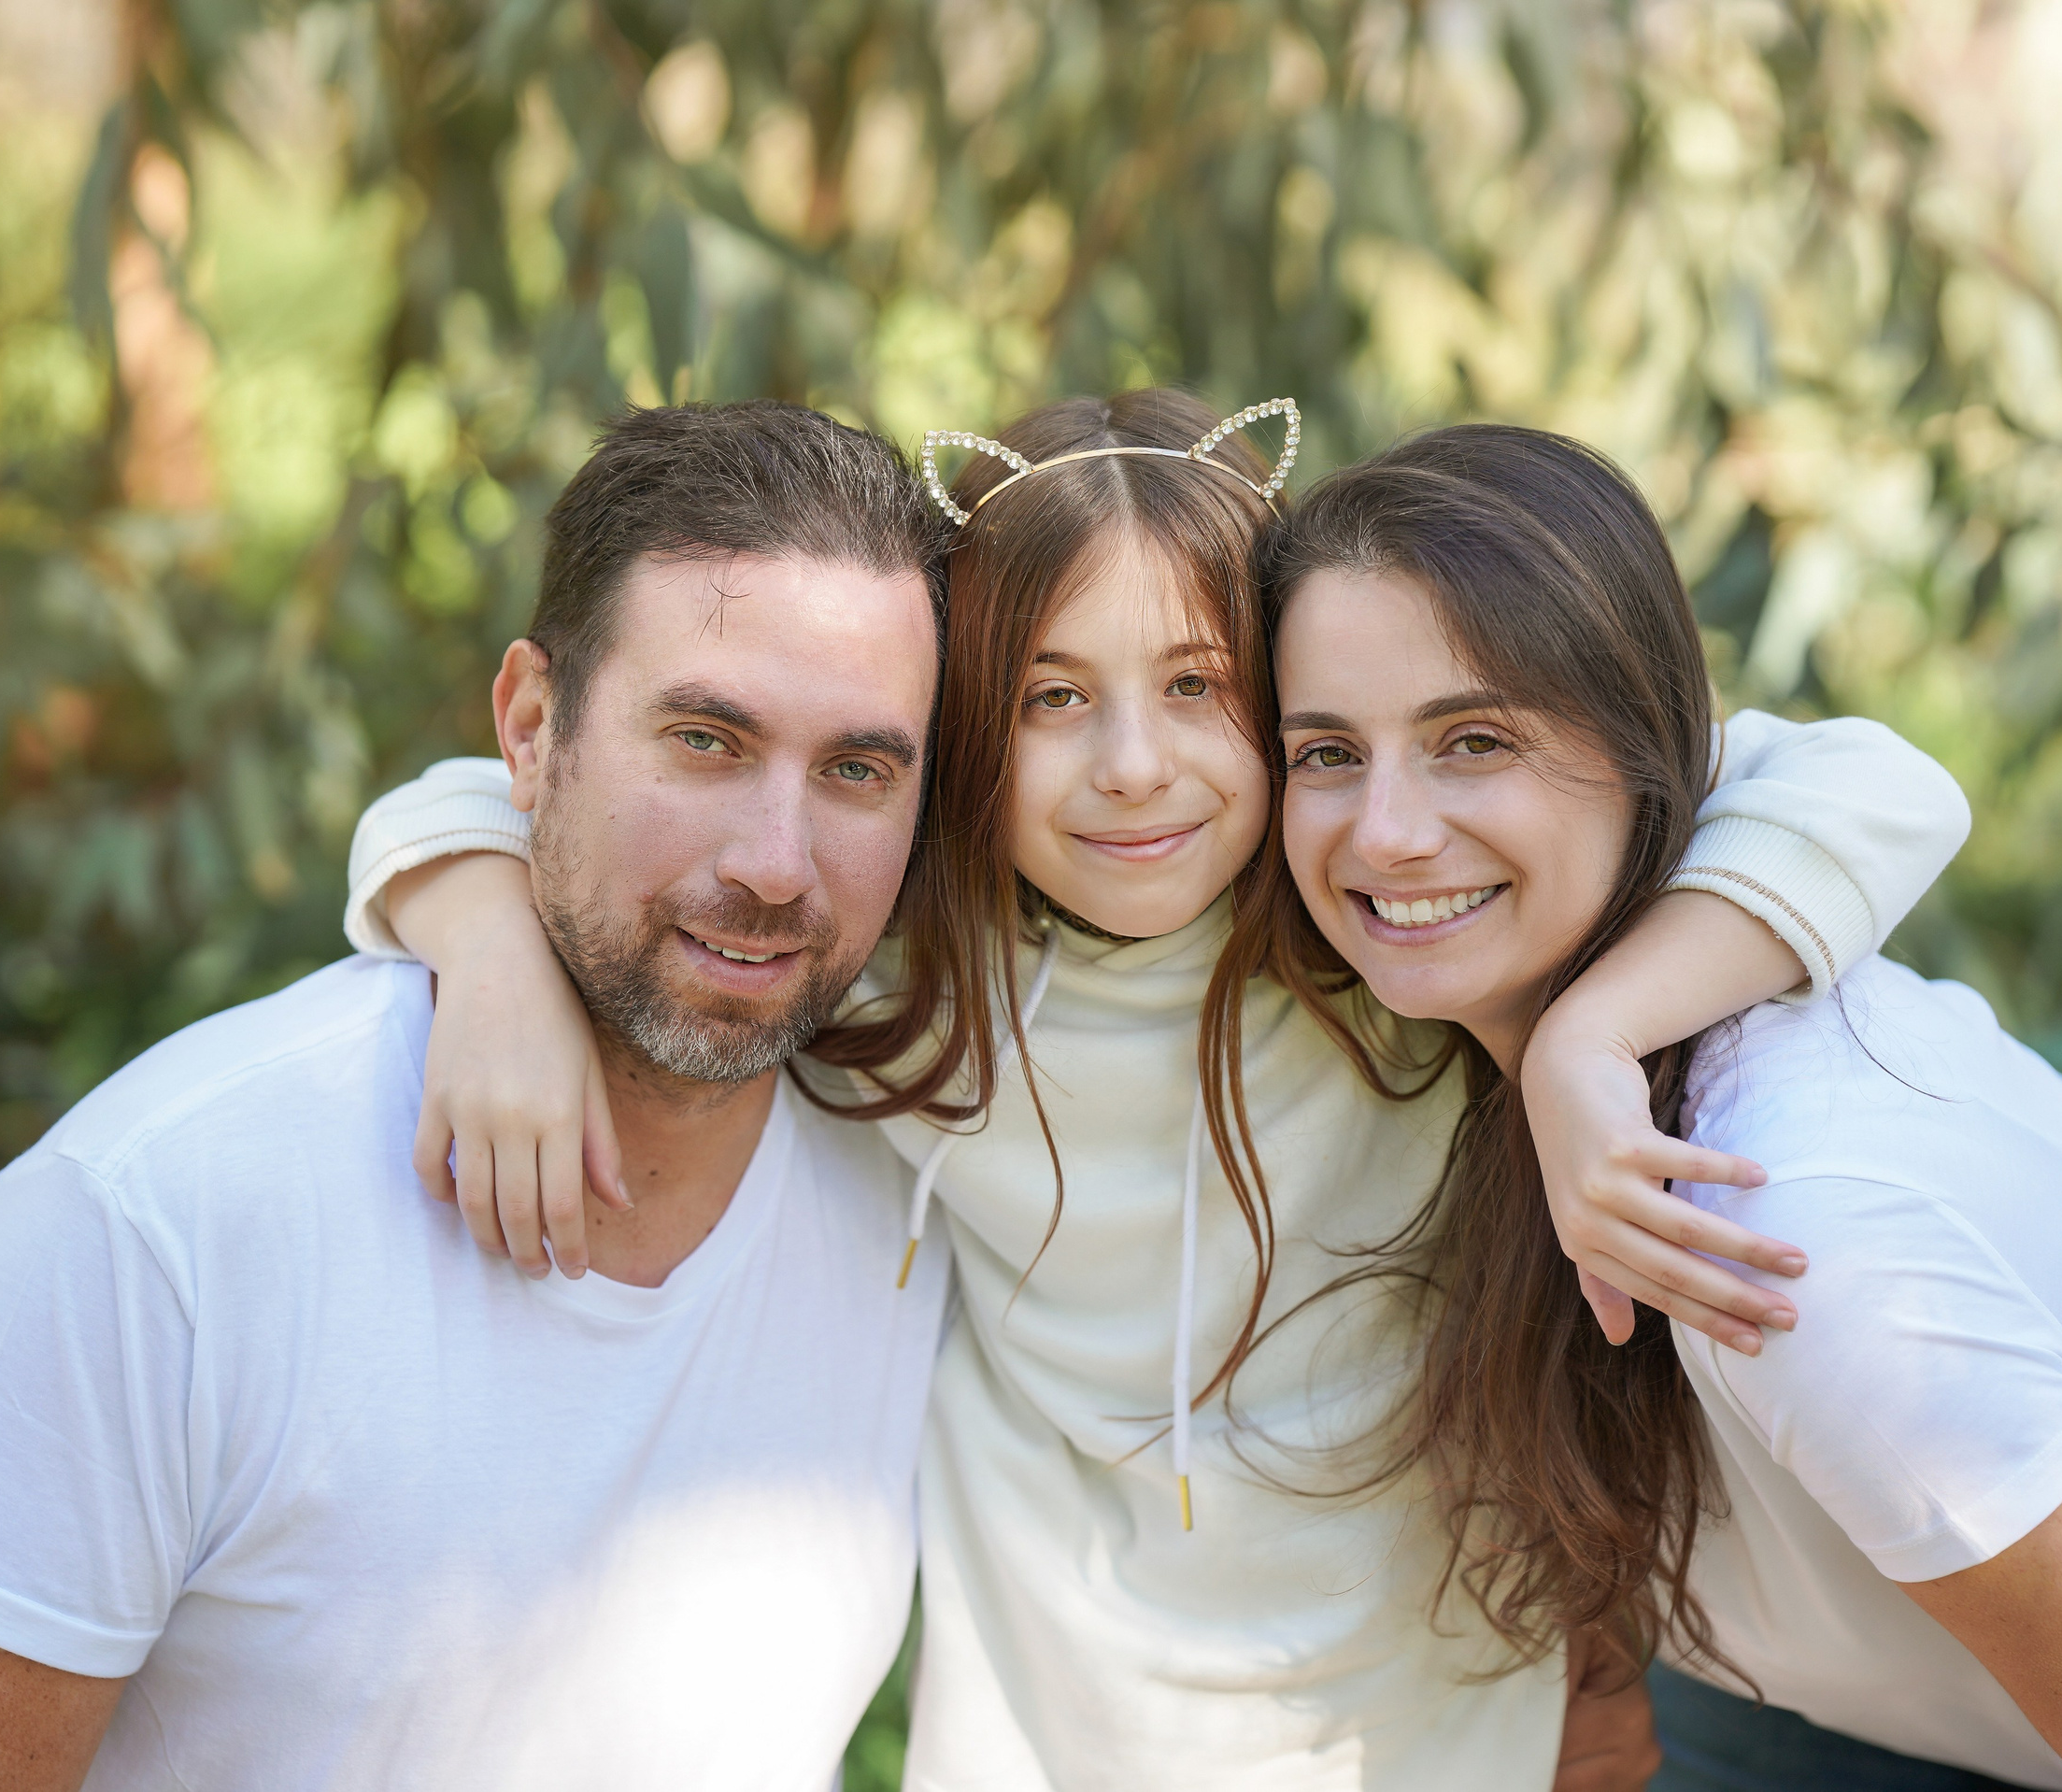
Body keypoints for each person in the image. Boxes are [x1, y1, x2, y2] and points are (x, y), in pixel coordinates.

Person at [348, 388, 1973, 1788]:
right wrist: (490, 959)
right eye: (1058, 697)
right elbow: (478, 789)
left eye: (1198, 685)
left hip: (1429, 1730)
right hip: (1052, 1742)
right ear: (977, 723)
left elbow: (1877, 782)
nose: (1133, 763)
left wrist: (1584, 1040)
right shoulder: (913, 964)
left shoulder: (1394, 951)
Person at [0, 402, 960, 1790]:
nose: (776, 861)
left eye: (858, 770)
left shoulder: (935, 1184)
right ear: (529, 724)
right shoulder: (153, 1230)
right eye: (704, 739)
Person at [1260, 422, 2062, 1792]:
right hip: (1877, 1690)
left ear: (1646, 752)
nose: (1383, 832)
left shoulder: (1784, 1231)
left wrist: (1585, 1039)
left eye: (1473, 738)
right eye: (1327, 753)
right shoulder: (1644, 935)